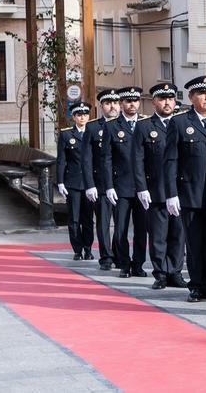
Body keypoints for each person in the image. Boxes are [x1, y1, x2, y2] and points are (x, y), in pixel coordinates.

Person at [164, 75, 206, 303]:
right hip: (190, 194)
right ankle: (196, 286)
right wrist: (171, 193)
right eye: (201, 94)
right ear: (192, 97)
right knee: (194, 244)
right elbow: (171, 160)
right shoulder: (180, 122)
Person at [135, 83, 186, 290]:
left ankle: (175, 271)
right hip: (156, 189)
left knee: (178, 234)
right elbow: (137, 159)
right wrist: (141, 187)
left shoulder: (183, 124)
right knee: (158, 235)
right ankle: (161, 273)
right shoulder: (145, 126)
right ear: (154, 101)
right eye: (163, 99)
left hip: (180, 190)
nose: (167, 103)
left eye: (171, 99)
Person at [102, 86, 148, 278]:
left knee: (141, 229)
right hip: (121, 186)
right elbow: (107, 159)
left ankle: (138, 263)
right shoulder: (112, 126)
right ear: (121, 104)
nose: (132, 104)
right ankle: (124, 263)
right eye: (128, 101)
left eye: (135, 100)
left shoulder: (146, 124)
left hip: (143, 186)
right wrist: (109, 186)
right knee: (120, 228)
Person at [56, 102, 95, 261]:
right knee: (74, 219)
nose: (83, 118)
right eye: (79, 115)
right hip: (72, 182)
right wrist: (60, 182)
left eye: (85, 114)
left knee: (88, 219)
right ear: (74, 117)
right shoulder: (66, 135)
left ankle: (88, 248)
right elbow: (61, 160)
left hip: (89, 183)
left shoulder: (93, 132)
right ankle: (77, 249)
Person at [86, 89, 119, 270]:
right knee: (104, 222)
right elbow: (87, 159)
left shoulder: (128, 125)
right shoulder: (93, 128)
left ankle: (118, 253)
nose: (112, 106)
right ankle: (106, 256)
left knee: (121, 224)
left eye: (115, 102)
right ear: (101, 106)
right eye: (108, 103)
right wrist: (90, 184)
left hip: (122, 183)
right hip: (101, 184)